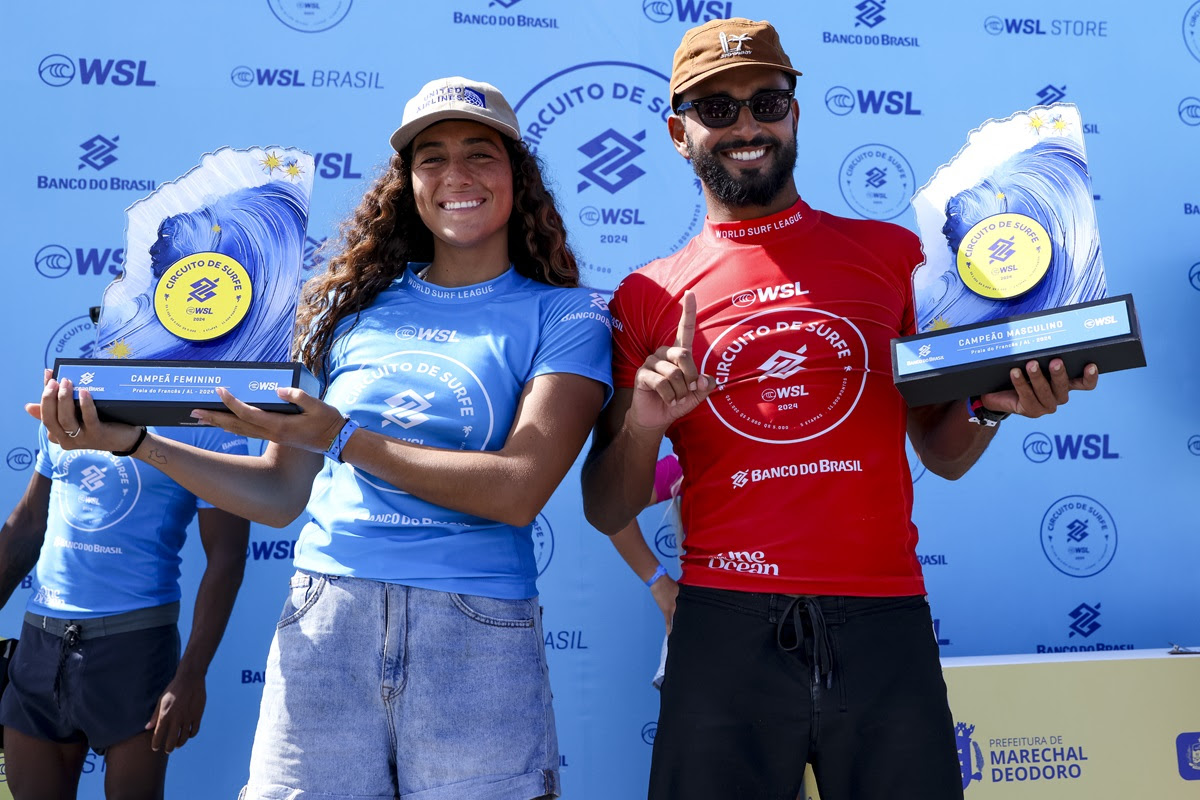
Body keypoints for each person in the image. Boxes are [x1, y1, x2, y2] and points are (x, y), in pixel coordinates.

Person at [33, 76, 612, 800]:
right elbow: (278, 496)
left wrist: (344, 437)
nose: (455, 176)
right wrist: (136, 443)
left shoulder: (570, 315)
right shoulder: (350, 309)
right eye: (430, 158)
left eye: (480, 154)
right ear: (406, 182)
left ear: (518, 177)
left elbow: (520, 489)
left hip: (475, 630)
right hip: (325, 615)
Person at [580, 18, 1100, 800]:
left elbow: (943, 450)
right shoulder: (649, 295)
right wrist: (647, 423)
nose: (747, 126)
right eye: (717, 110)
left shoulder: (896, 258)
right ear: (677, 132)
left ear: (796, 112)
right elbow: (606, 503)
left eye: (767, 101)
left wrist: (996, 407)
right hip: (725, 625)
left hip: (883, 617)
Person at [0, 411, 249, 800]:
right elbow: (30, 521)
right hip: (40, 643)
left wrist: (192, 674)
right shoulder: (68, 408)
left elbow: (227, 555)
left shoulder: (201, 424)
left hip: (135, 648)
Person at [606, 454, 681, 688]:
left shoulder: (795, 451)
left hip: (788, 625)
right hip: (706, 622)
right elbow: (611, 504)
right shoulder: (693, 456)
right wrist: (657, 580)